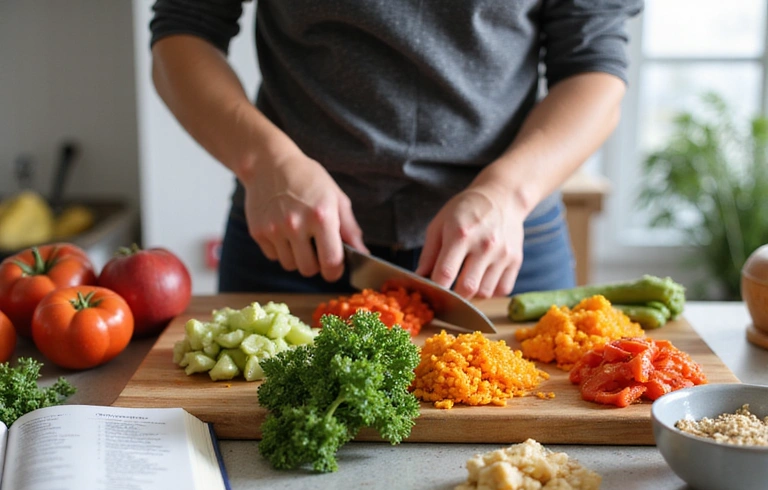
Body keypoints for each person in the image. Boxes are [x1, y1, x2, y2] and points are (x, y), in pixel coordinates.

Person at [149, 0, 643, 299]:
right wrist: (265, 163)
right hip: (292, 241)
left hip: (501, 245)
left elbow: (594, 70)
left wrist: (507, 194)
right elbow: (183, 34)